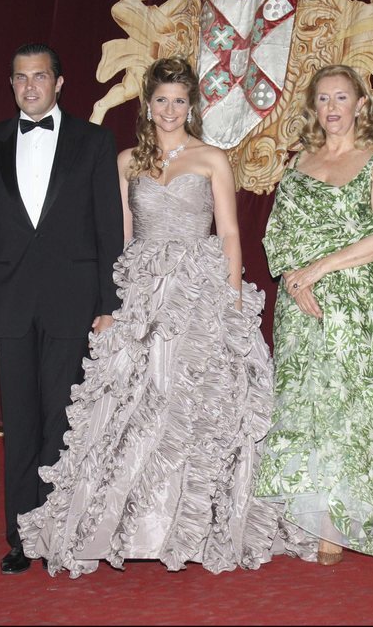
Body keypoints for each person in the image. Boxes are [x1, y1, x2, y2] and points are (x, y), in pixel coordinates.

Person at [18, 57, 315, 578]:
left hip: (200, 289)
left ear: (191, 105)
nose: (171, 109)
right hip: (143, 292)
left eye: (180, 100)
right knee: (136, 404)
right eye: (162, 100)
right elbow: (121, 238)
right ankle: (130, 526)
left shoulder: (213, 159)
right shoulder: (127, 161)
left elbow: (228, 234)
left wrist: (232, 301)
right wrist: (112, 306)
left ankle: (194, 524)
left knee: (199, 403)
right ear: (147, 105)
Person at [254, 64, 373, 565]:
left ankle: (345, 525)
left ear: (361, 105)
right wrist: (294, 276)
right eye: (323, 100)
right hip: (303, 309)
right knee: (310, 413)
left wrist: (317, 269)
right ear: (313, 108)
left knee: (358, 415)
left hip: (362, 307)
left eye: (341, 98)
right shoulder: (299, 164)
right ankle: (313, 515)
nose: (332, 109)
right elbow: (278, 233)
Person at [0, 43, 124, 574]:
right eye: (19, 78)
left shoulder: (95, 141)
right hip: (9, 305)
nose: (29, 86)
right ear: (11, 85)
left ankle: (59, 529)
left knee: (62, 421)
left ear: (59, 83)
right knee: (20, 423)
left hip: (73, 301)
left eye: (39, 77)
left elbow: (109, 228)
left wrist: (110, 304)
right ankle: (19, 536)